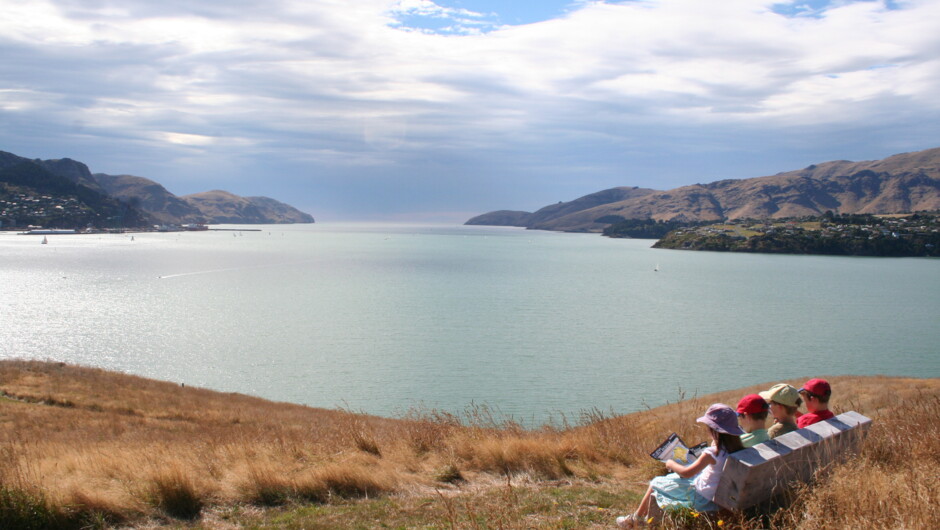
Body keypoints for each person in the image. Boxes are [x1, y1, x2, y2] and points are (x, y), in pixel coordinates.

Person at [616, 404, 744, 528]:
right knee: (671, 479)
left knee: (656, 482)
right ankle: (636, 518)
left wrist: (670, 463)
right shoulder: (737, 449)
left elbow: (686, 473)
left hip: (702, 498)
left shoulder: (711, 453)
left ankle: (634, 520)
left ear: (713, 430)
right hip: (718, 495)